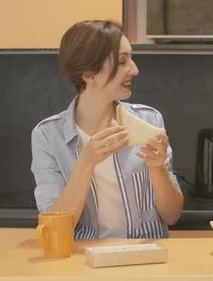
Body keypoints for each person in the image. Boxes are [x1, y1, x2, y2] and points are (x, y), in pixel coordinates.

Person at [31, 20, 183, 240]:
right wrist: (87, 162)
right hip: (83, 264)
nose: (135, 69)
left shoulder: (150, 119)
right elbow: (55, 226)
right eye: (122, 61)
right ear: (89, 73)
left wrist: (158, 170)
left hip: (145, 260)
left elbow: (172, 216)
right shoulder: (47, 135)